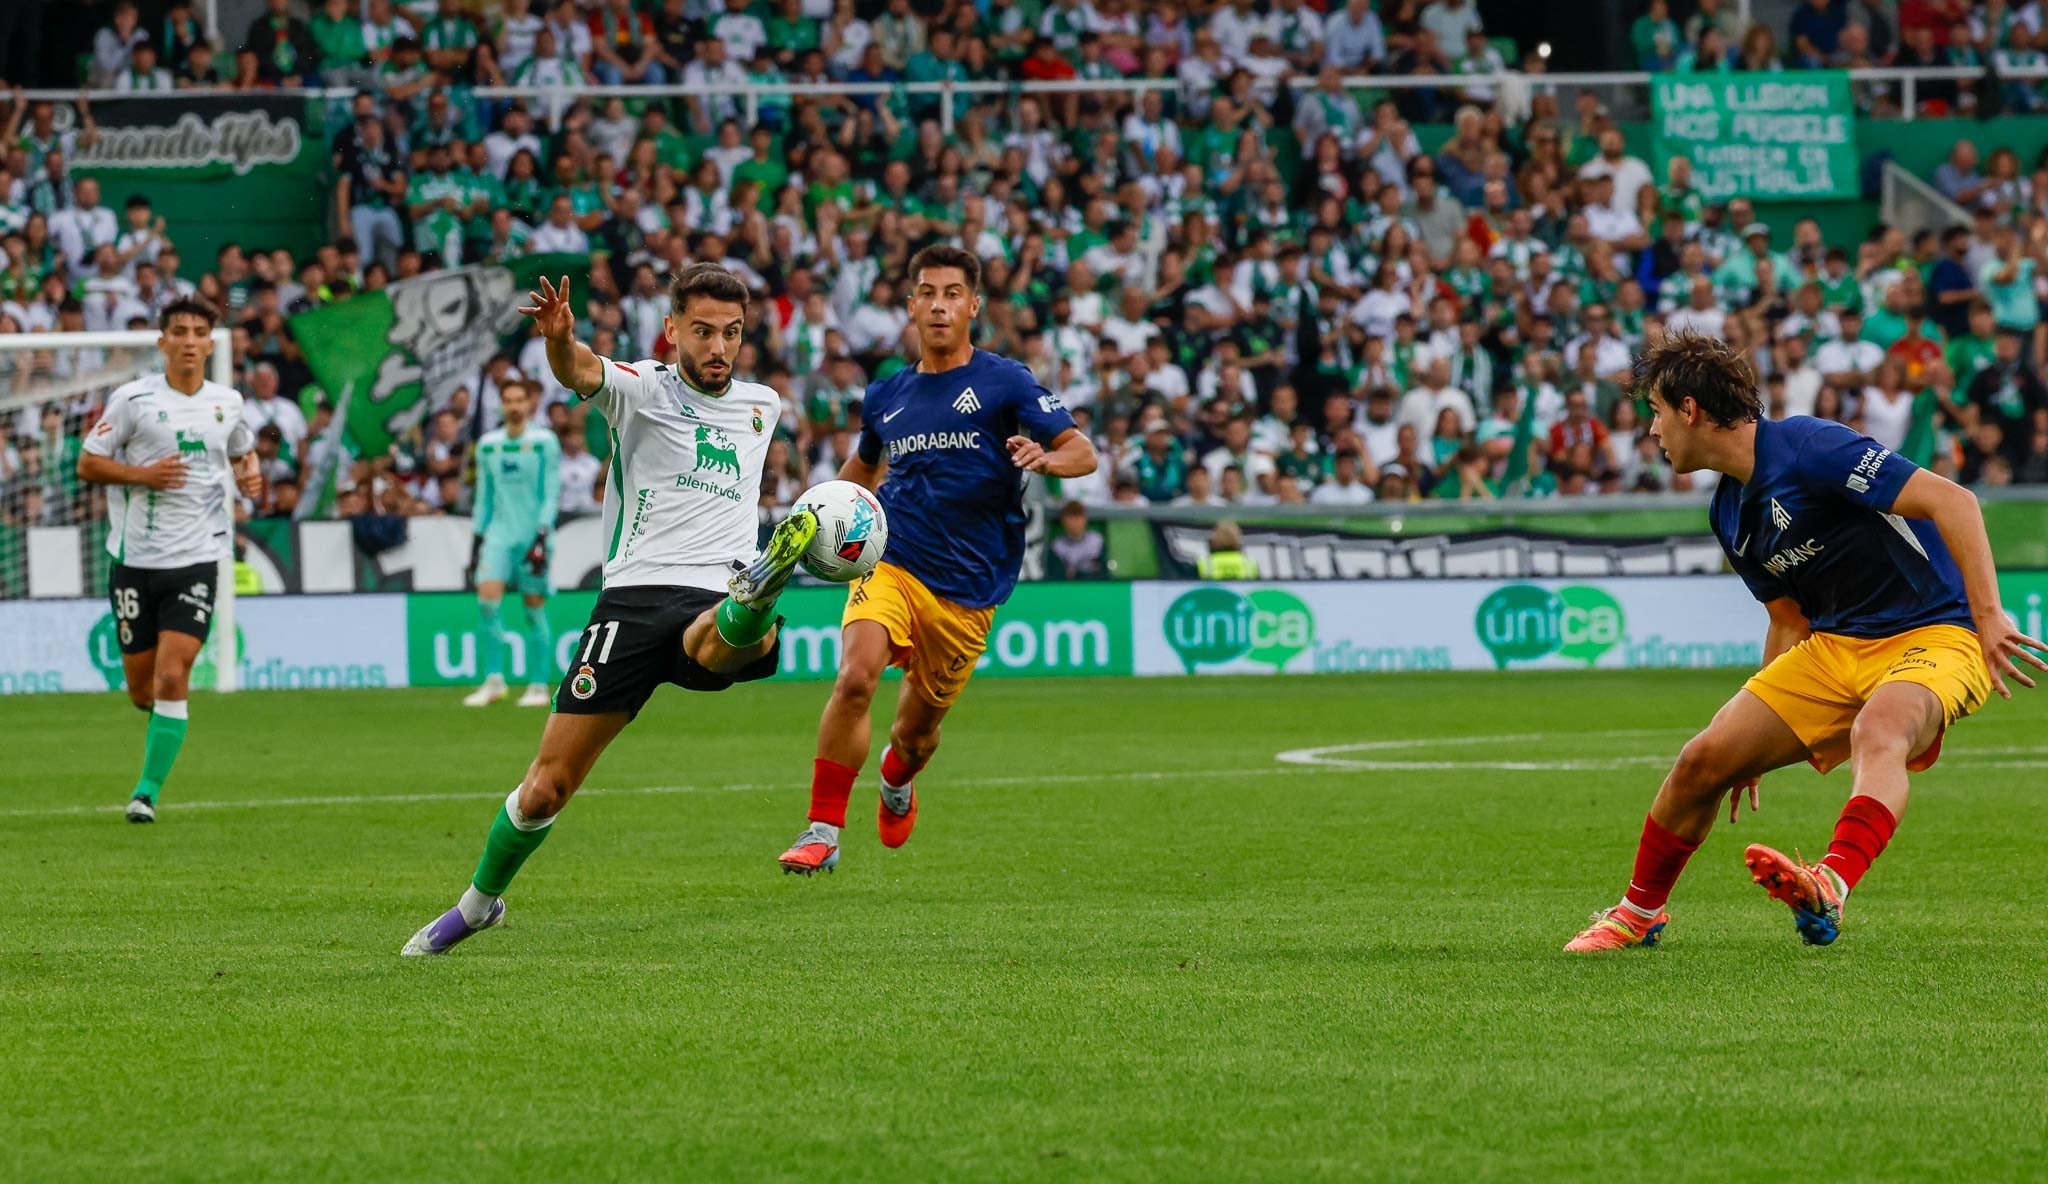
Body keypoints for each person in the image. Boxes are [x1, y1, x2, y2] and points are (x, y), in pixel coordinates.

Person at [1565, 334, 2045, 953]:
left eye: (1655, 411)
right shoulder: (1729, 513)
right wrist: (1751, 742)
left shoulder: (1812, 447)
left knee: (1881, 729)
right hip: (1834, 647)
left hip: (1935, 631)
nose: (1651, 430)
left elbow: (1954, 500)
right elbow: (1788, 620)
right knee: (1701, 763)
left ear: (1690, 410)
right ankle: (1637, 915)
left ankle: (1830, 884)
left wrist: (1990, 616)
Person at [401, 264, 823, 956]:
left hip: (714, 592)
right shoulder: (642, 388)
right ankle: (478, 906)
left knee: (720, 640)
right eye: (704, 332)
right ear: (672, 330)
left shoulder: (762, 406)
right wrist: (559, 341)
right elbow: (580, 371)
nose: (719, 348)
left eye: (732, 334)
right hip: (629, 602)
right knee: (544, 790)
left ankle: (766, 583)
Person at [776, 245, 1099, 875]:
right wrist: (816, 516)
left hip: (970, 588)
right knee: (856, 676)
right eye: (927, 292)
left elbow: (1082, 450)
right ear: (911, 305)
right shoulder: (887, 395)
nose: (940, 305)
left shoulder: (1004, 380)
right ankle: (822, 831)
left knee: (914, 736)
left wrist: (1045, 459)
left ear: (973, 305)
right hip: (893, 560)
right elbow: (862, 474)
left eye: (953, 293)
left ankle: (898, 778)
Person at [76, 298, 263, 823]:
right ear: (162, 342)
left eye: (199, 331)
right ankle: (163, 721)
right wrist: (143, 475)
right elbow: (88, 464)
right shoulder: (132, 401)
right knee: (143, 690)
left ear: (210, 343)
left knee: (173, 676)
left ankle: (145, 793)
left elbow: (242, 450)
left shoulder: (228, 402)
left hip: (199, 557)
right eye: (178, 330)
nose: (188, 339)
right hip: (134, 561)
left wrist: (250, 474)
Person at [462, 379, 562, 708]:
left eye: (520, 400)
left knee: (533, 609)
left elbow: (550, 492)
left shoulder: (544, 442)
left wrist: (544, 533)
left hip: (534, 535)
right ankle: (493, 681)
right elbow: (484, 497)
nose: (515, 406)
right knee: (486, 603)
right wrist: (477, 539)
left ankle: (537, 685)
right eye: (509, 400)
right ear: (501, 405)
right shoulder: (489, 445)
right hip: (499, 535)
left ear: (529, 404)